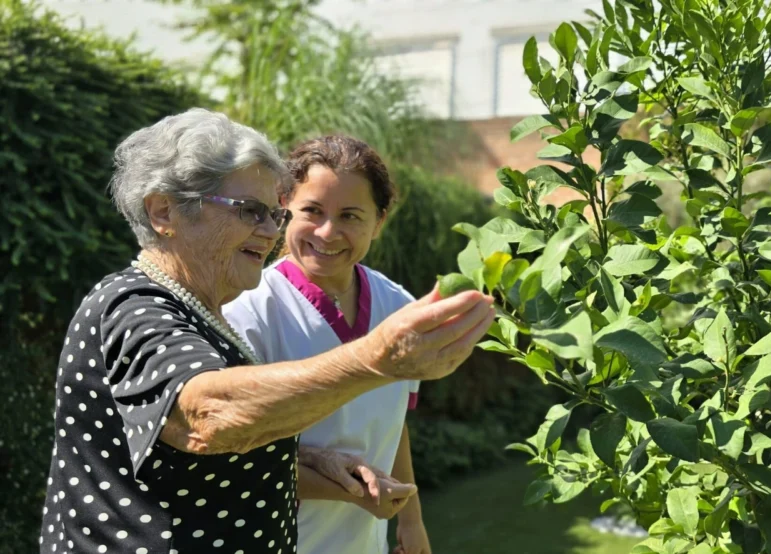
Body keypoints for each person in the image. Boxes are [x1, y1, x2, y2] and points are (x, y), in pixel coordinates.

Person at [38, 109, 494, 554]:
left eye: (273, 214)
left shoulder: (201, 311)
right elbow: (207, 416)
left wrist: (317, 461)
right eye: (250, 211)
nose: (270, 231)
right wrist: (372, 358)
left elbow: (223, 448)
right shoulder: (133, 305)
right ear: (164, 212)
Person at [223, 135, 433, 554]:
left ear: (380, 220)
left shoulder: (399, 307)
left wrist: (412, 521)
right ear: (284, 208)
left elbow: (392, 425)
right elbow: (231, 455)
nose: (327, 231)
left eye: (350, 215)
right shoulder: (249, 309)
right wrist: (353, 491)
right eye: (312, 211)